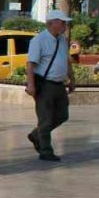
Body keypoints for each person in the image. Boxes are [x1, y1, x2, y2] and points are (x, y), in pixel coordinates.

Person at [27, 10, 76, 162]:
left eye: (65, 23)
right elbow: (30, 64)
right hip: (44, 84)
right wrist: (31, 85)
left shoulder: (62, 39)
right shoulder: (39, 40)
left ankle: (36, 135)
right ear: (51, 23)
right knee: (45, 119)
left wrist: (71, 78)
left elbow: (66, 60)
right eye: (62, 22)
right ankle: (45, 151)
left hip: (59, 84)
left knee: (62, 115)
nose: (65, 25)